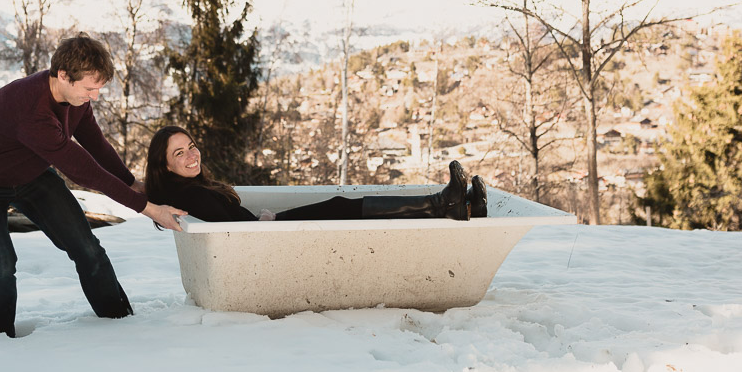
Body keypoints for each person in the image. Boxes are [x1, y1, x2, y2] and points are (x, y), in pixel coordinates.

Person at [0, 34, 186, 337]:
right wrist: (149, 209)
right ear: (63, 76)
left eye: (99, 87)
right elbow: (84, 170)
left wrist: (131, 183)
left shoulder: (75, 99)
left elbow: (96, 146)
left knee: (87, 248)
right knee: (1, 265)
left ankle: (121, 324)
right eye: (90, 88)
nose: (95, 96)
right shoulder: (31, 110)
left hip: (30, 176)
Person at [144, 125, 487, 224]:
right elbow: (227, 234)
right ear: (165, 166)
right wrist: (264, 223)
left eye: (191, 146)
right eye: (179, 153)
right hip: (263, 241)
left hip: (264, 231)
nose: (192, 155)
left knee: (341, 203)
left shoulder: (191, 186)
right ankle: (443, 204)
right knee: (342, 206)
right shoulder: (187, 195)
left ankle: (459, 206)